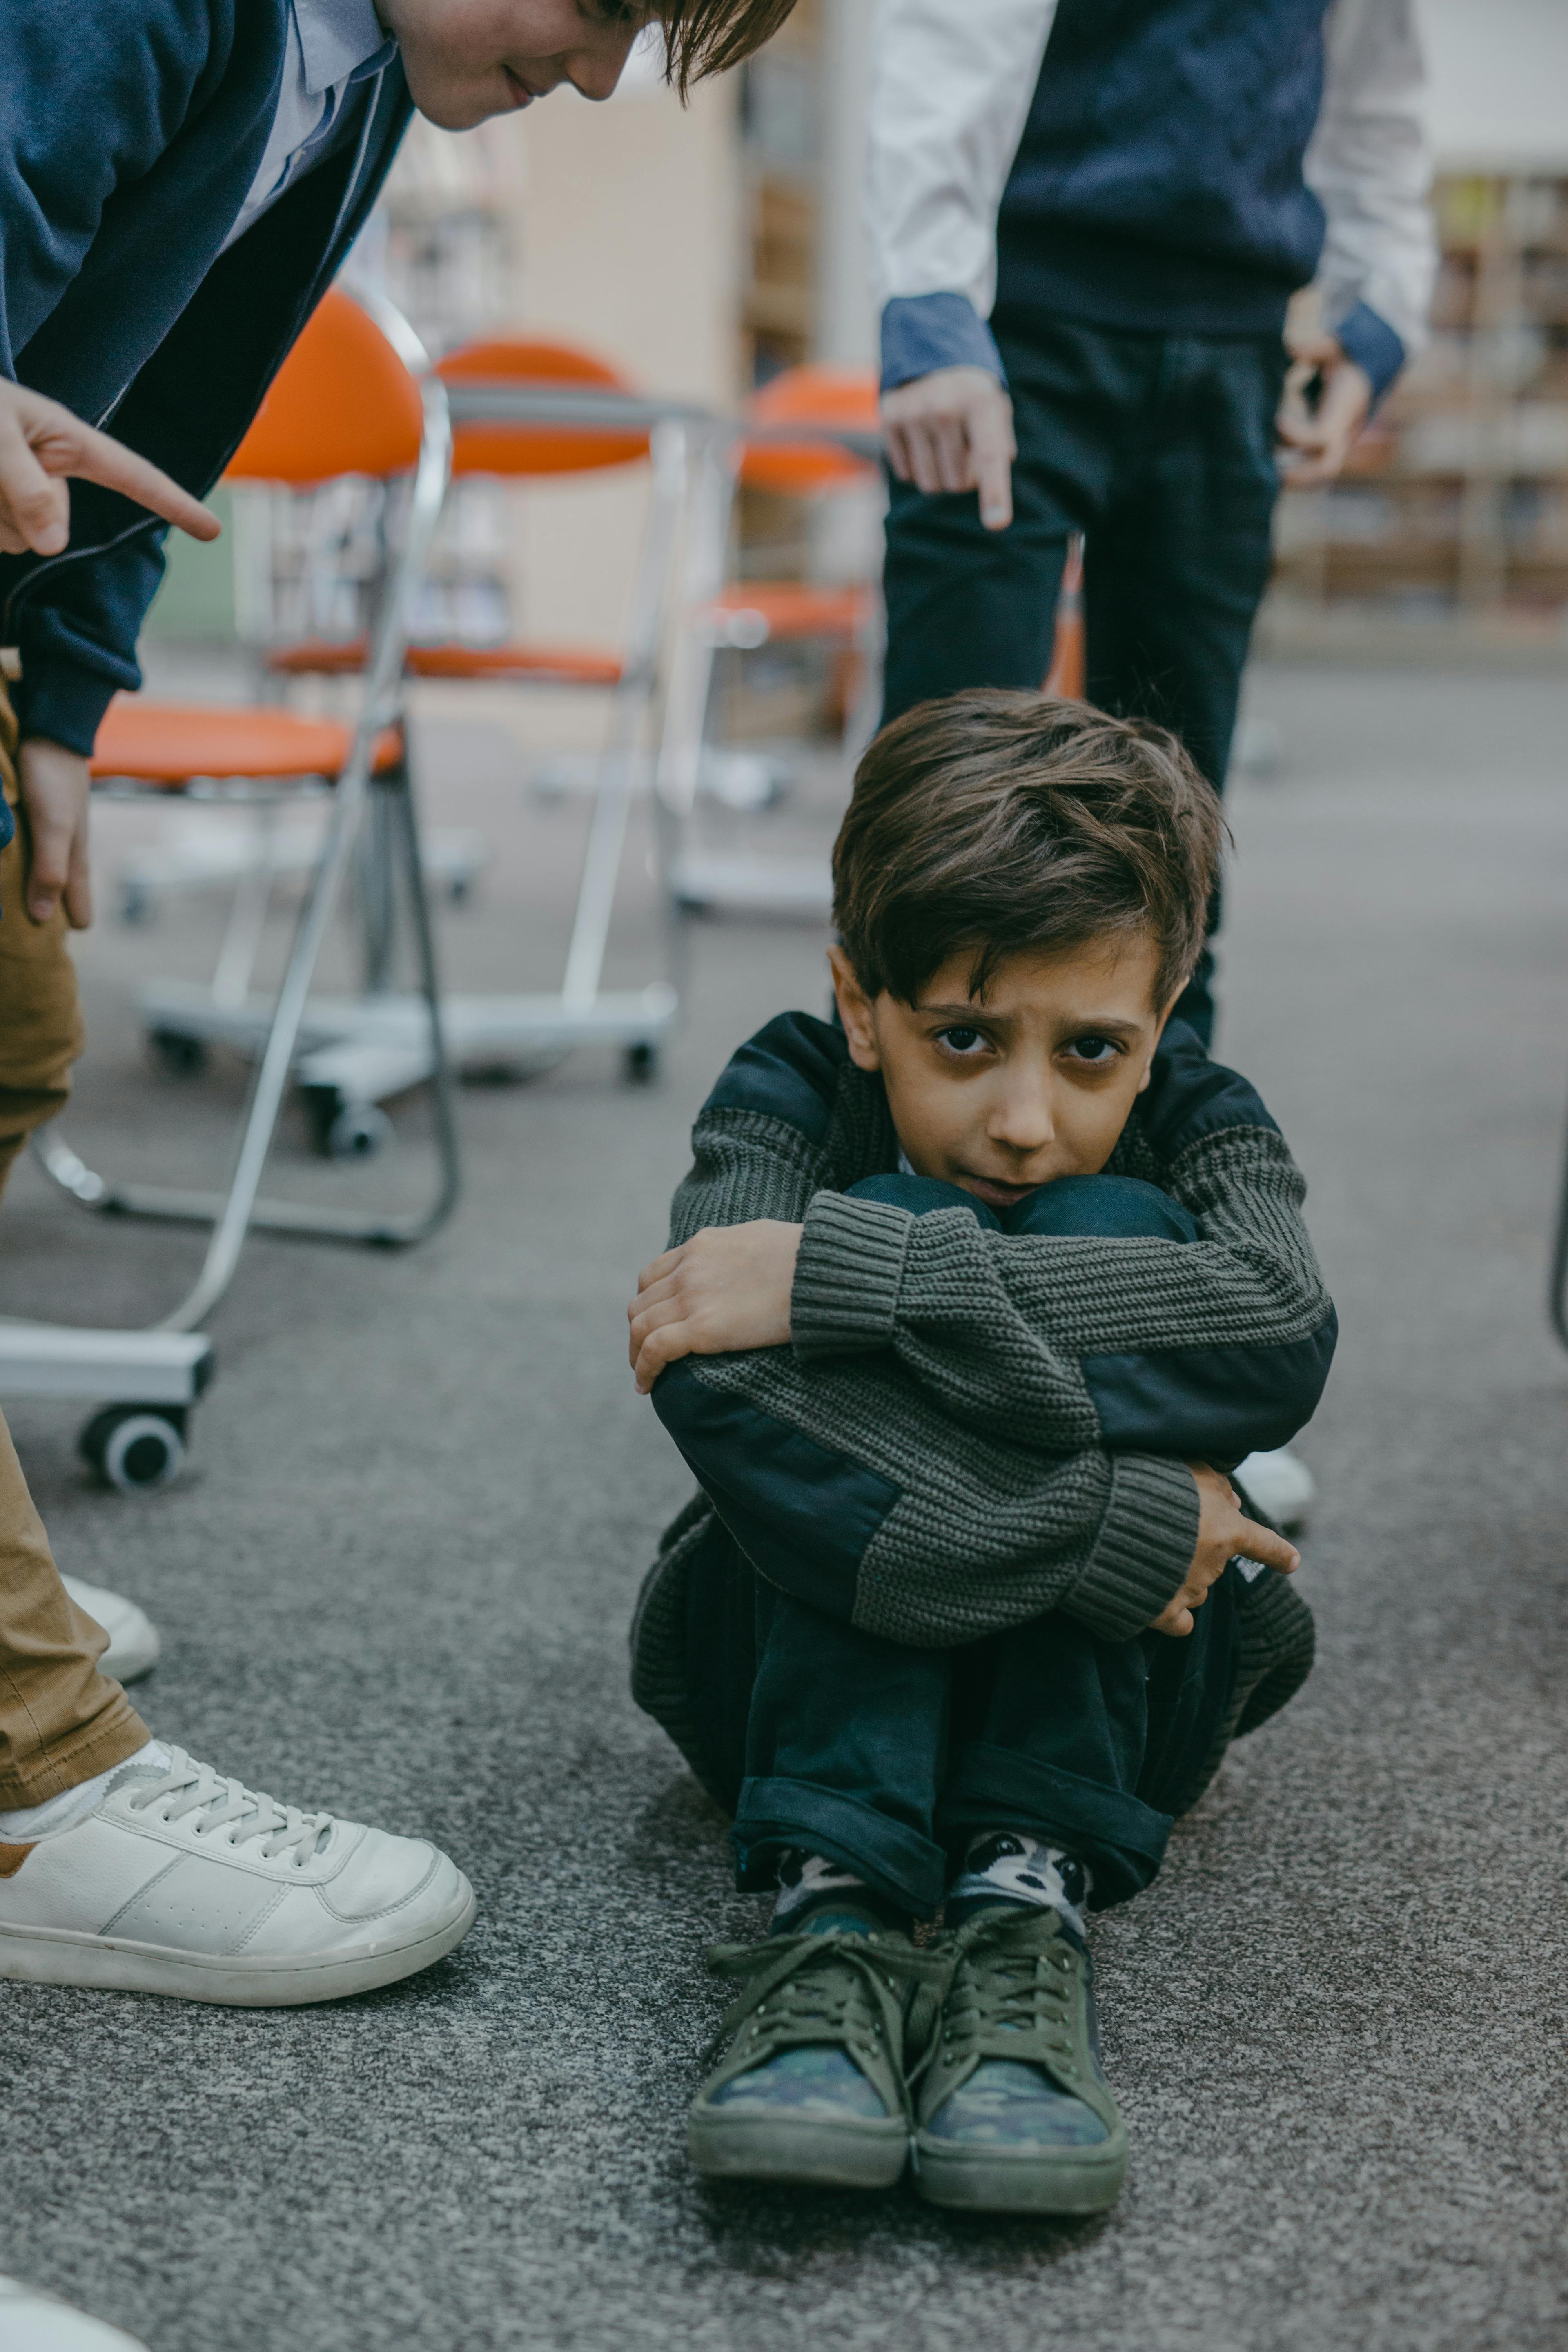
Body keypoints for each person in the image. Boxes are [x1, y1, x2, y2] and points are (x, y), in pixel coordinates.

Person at [0, 0, 794, 2006]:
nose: (603, 74)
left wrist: (71, 706)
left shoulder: (347, 82)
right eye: (599, 8)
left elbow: (173, 396)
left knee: (18, 1034)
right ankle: (29, 1781)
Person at [626, 690, 1335, 2211]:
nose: (1027, 1116)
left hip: (1119, 1707)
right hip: (784, 1672)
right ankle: (836, 1919)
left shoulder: (1199, 1113)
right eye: (963, 1039)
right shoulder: (786, 1095)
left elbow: (1272, 1329)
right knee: (889, 1255)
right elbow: (720, 1387)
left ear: (1168, 1009)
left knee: (1088, 1219)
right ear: (859, 1001)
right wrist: (1126, 1523)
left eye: (1094, 1050)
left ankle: (1027, 1899)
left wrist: (854, 1282)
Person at [868, 0, 1436, 1047]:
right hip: (1013, 325)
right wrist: (930, 301)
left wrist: (1381, 309)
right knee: (938, 826)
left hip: (1235, 348)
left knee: (1176, 858)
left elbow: (1375, 85)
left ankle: (1148, 1192)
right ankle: (884, 1194)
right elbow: (955, 25)